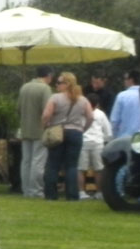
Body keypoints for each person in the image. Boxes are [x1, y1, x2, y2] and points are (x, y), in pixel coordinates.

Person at [42, 71, 93, 200]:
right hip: (76, 132)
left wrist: (45, 126)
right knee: (72, 165)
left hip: (57, 132)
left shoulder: (55, 98)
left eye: (59, 83)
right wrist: (83, 129)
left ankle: (51, 195)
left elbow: (46, 115)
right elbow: (90, 117)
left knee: (53, 164)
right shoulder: (83, 99)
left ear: (67, 84)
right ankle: (72, 195)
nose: (56, 85)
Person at [18, 67, 53, 198]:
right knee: (38, 161)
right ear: (48, 75)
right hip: (39, 129)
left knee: (26, 161)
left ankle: (26, 189)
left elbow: (18, 108)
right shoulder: (45, 89)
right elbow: (47, 110)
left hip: (25, 129)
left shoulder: (24, 87)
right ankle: (36, 191)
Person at [79, 92, 112, 199]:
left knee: (81, 169)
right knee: (99, 169)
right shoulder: (101, 114)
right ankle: (99, 192)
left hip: (83, 142)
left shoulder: (80, 112)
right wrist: (105, 141)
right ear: (97, 104)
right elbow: (108, 132)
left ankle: (81, 192)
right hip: (97, 143)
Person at [110, 69, 140, 138]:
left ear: (131, 80)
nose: (124, 81)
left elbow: (114, 120)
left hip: (123, 137)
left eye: (125, 79)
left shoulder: (121, 96)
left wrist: (114, 136)